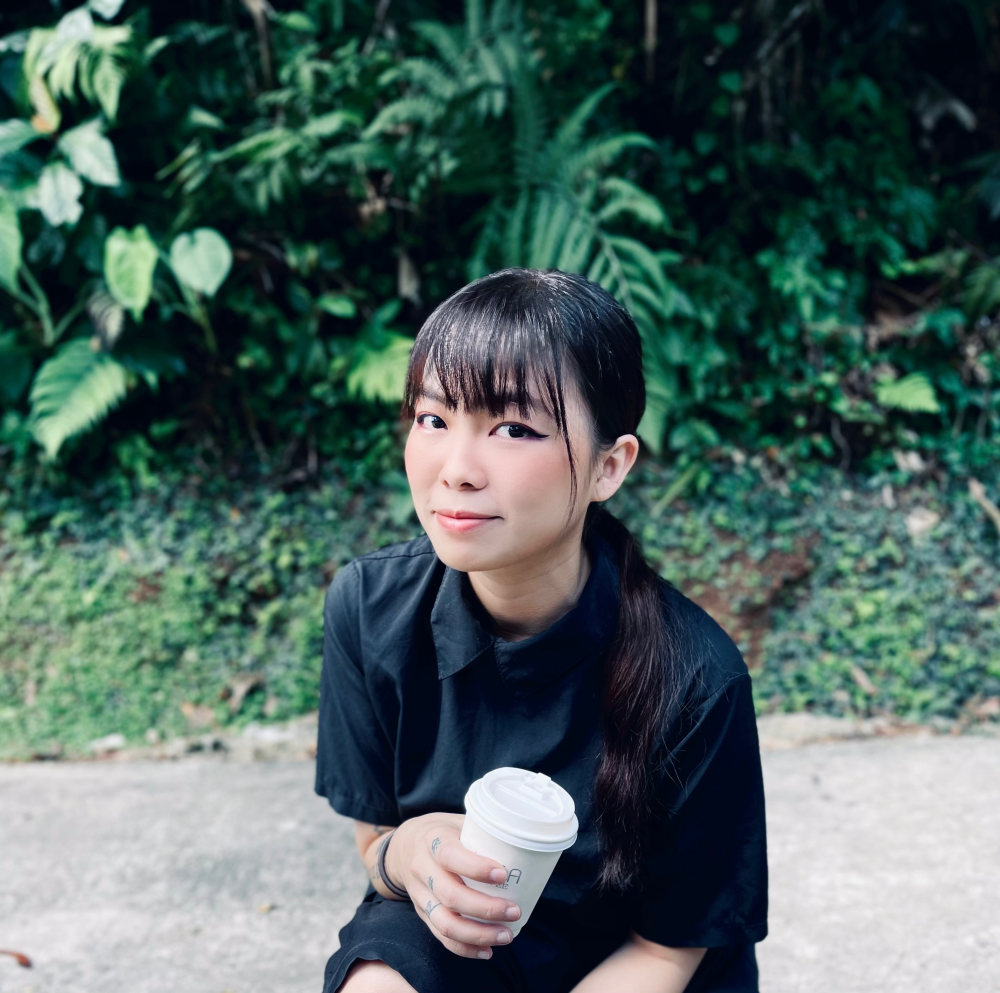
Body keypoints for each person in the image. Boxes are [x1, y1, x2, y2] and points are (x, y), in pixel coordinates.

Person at [315, 267, 768, 993]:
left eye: (513, 428)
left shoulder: (695, 677)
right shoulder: (370, 609)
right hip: (466, 953)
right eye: (434, 419)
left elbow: (667, 950)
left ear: (608, 466)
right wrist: (412, 852)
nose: (457, 469)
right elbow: (374, 844)